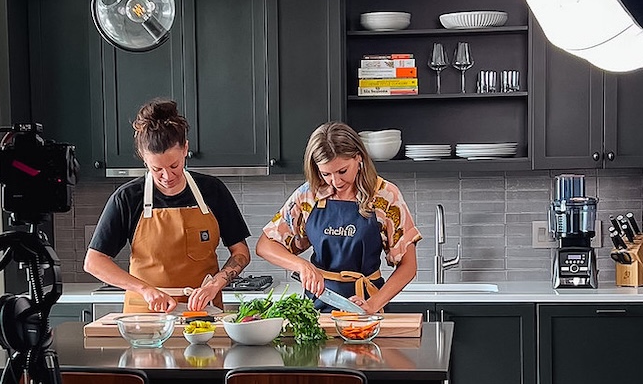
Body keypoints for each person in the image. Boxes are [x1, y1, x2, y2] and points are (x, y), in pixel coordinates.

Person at [84, 99, 252, 313]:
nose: (167, 176)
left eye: (174, 166)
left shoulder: (212, 191)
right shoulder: (127, 198)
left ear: (185, 150)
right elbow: (94, 262)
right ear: (144, 160)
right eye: (157, 169)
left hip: (202, 312)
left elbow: (241, 252)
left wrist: (217, 283)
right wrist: (144, 289)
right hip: (145, 317)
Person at [257, 122, 421, 313]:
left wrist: (374, 304)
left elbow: (408, 266)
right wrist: (302, 266)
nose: (335, 181)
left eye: (342, 171)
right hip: (316, 308)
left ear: (358, 158)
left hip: (366, 307)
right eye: (326, 174)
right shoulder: (308, 195)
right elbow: (265, 245)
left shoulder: (385, 196)